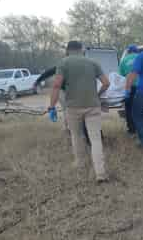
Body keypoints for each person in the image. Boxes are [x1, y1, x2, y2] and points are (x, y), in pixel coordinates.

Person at [48, 41, 110, 183]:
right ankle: (100, 173)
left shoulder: (63, 63)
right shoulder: (93, 62)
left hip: (73, 107)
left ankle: (80, 162)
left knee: (76, 136)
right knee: (95, 139)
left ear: (68, 50)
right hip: (93, 105)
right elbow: (106, 83)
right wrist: (98, 95)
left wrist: (51, 106)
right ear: (82, 50)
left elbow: (57, 85)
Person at [118, 44, 139, 135]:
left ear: (129, 51)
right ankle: (141, 128)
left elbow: (121, 76)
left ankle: (131, 129)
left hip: (129, 87)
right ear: (136, 51)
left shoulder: (124, 60)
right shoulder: (140, 57)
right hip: (142, 87)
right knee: (140, 108)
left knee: (129, 109)